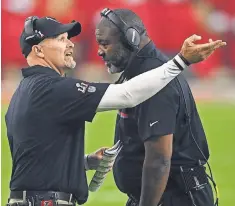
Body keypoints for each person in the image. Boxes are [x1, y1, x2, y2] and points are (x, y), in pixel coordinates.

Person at [5, 15, 225, 206]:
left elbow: (36, 158)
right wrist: (181, 61)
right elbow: (127, 95)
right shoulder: (52, 88)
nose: (70, 44)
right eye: (61, 39)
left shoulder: (24, 91)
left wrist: (85, 162)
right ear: (38, 50)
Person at [95, 8, 225, 206]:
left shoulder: (155, 81)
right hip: (162, 196)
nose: (99, 51)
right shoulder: (143, 72)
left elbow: (159, 160)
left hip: (175, 197)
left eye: (105, 43)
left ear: (131, 38)